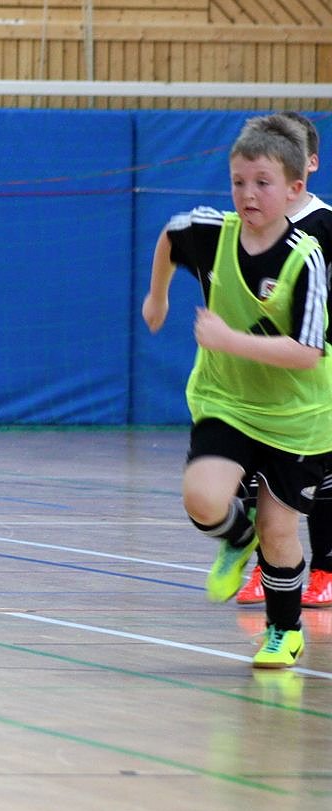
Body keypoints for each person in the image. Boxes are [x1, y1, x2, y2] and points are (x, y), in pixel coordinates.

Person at [142, 114, 332, 669]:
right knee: (202, 498)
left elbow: (308, 351)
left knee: (279, 528)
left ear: (295, 188)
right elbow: (168, 237)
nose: (248, 194)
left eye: (262, 183)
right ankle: (234, 536)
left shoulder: (305, 256)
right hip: (226, 401)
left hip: (297, 415)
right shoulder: (209, 231)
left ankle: (284, 631)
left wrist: (229, 340)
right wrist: (158, 298)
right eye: (238, 182)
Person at [236, 111, 332, 609]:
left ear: (306, 164)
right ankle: (265, 566)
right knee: (252, 478)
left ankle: (325, 569)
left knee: (317, 480)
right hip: (260, 373)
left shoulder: (323, 226)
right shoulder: (248, 226)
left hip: (314, 371)